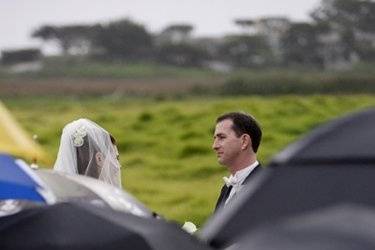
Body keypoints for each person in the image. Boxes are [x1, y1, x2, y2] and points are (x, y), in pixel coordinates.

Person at [212, 111, 262, 212]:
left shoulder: (263, 187)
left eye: (221, 137)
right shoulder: (227, 188)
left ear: (244, 141)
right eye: (215, 138)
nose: (214, 146)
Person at [53, 118, 122, 188]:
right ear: (99, 158)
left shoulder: (64, 191)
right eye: (116, 158)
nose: (118, 166)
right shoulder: (101, 196)